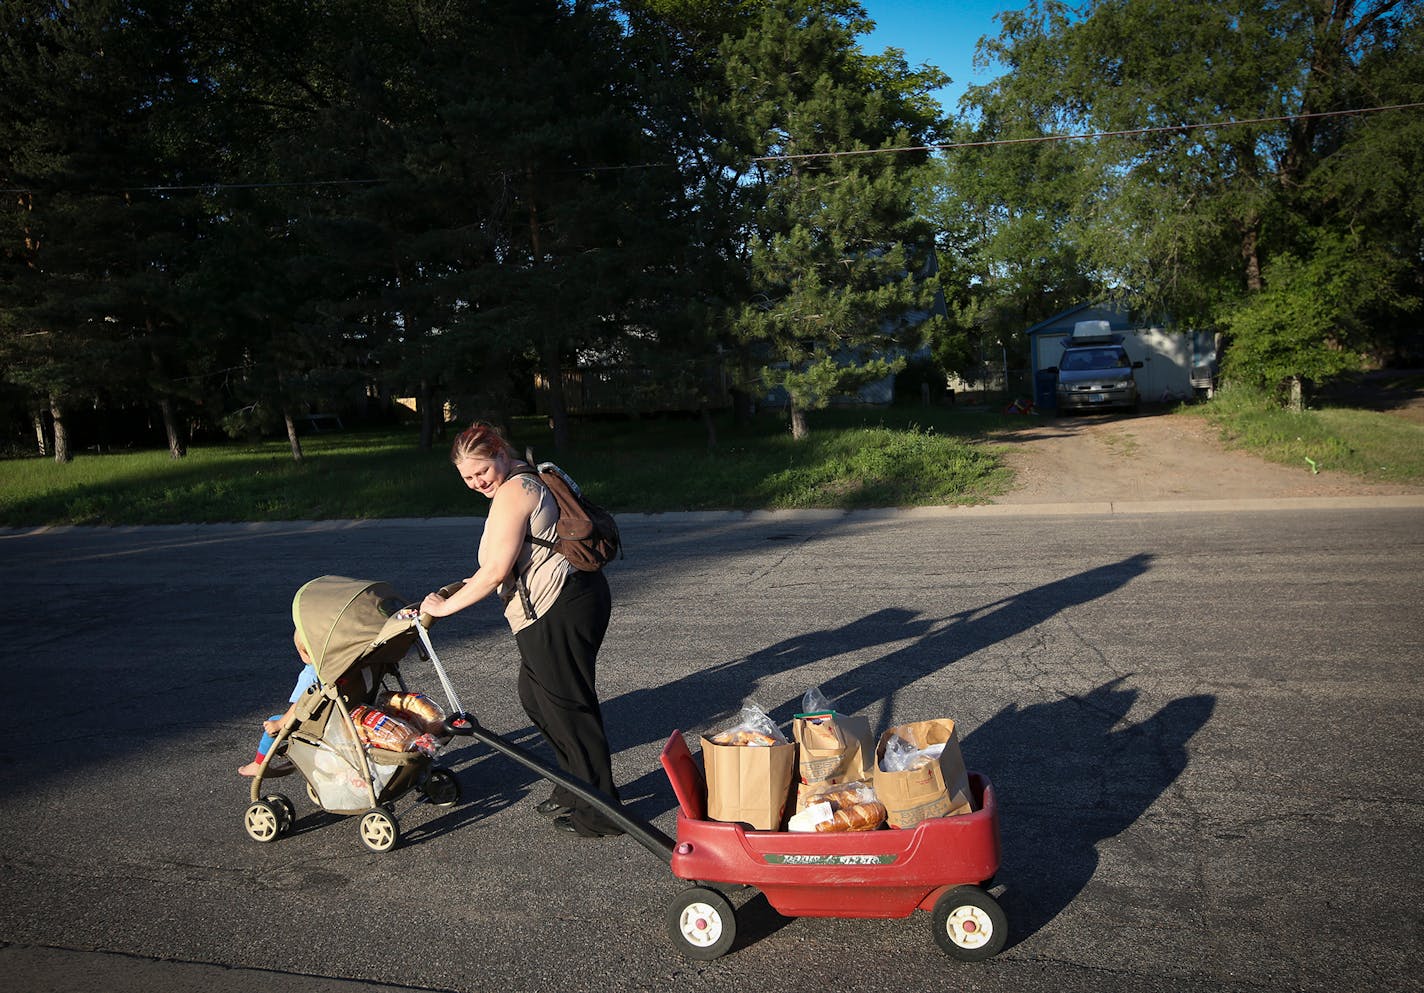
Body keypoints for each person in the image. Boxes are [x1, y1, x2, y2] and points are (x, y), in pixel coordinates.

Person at [420, 421, 623, 838]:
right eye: (468, 478)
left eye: (482, 472)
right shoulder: (526, 477)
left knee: (569, 710)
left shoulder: (515, 490)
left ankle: (603, 812)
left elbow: (494, 571)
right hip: (571, 599)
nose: (477, 483)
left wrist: (442, 608)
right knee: (536, 698)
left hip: (558, 607)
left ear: (499, 453)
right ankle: (573, 788)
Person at [238, 629, 318, 777]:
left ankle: (258, 764)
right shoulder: (336, 667)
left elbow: (299, 706)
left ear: (304, 653)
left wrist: (279, 724)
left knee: (273, 721)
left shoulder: (310, 675)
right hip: (336, 714)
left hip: (316, 722)